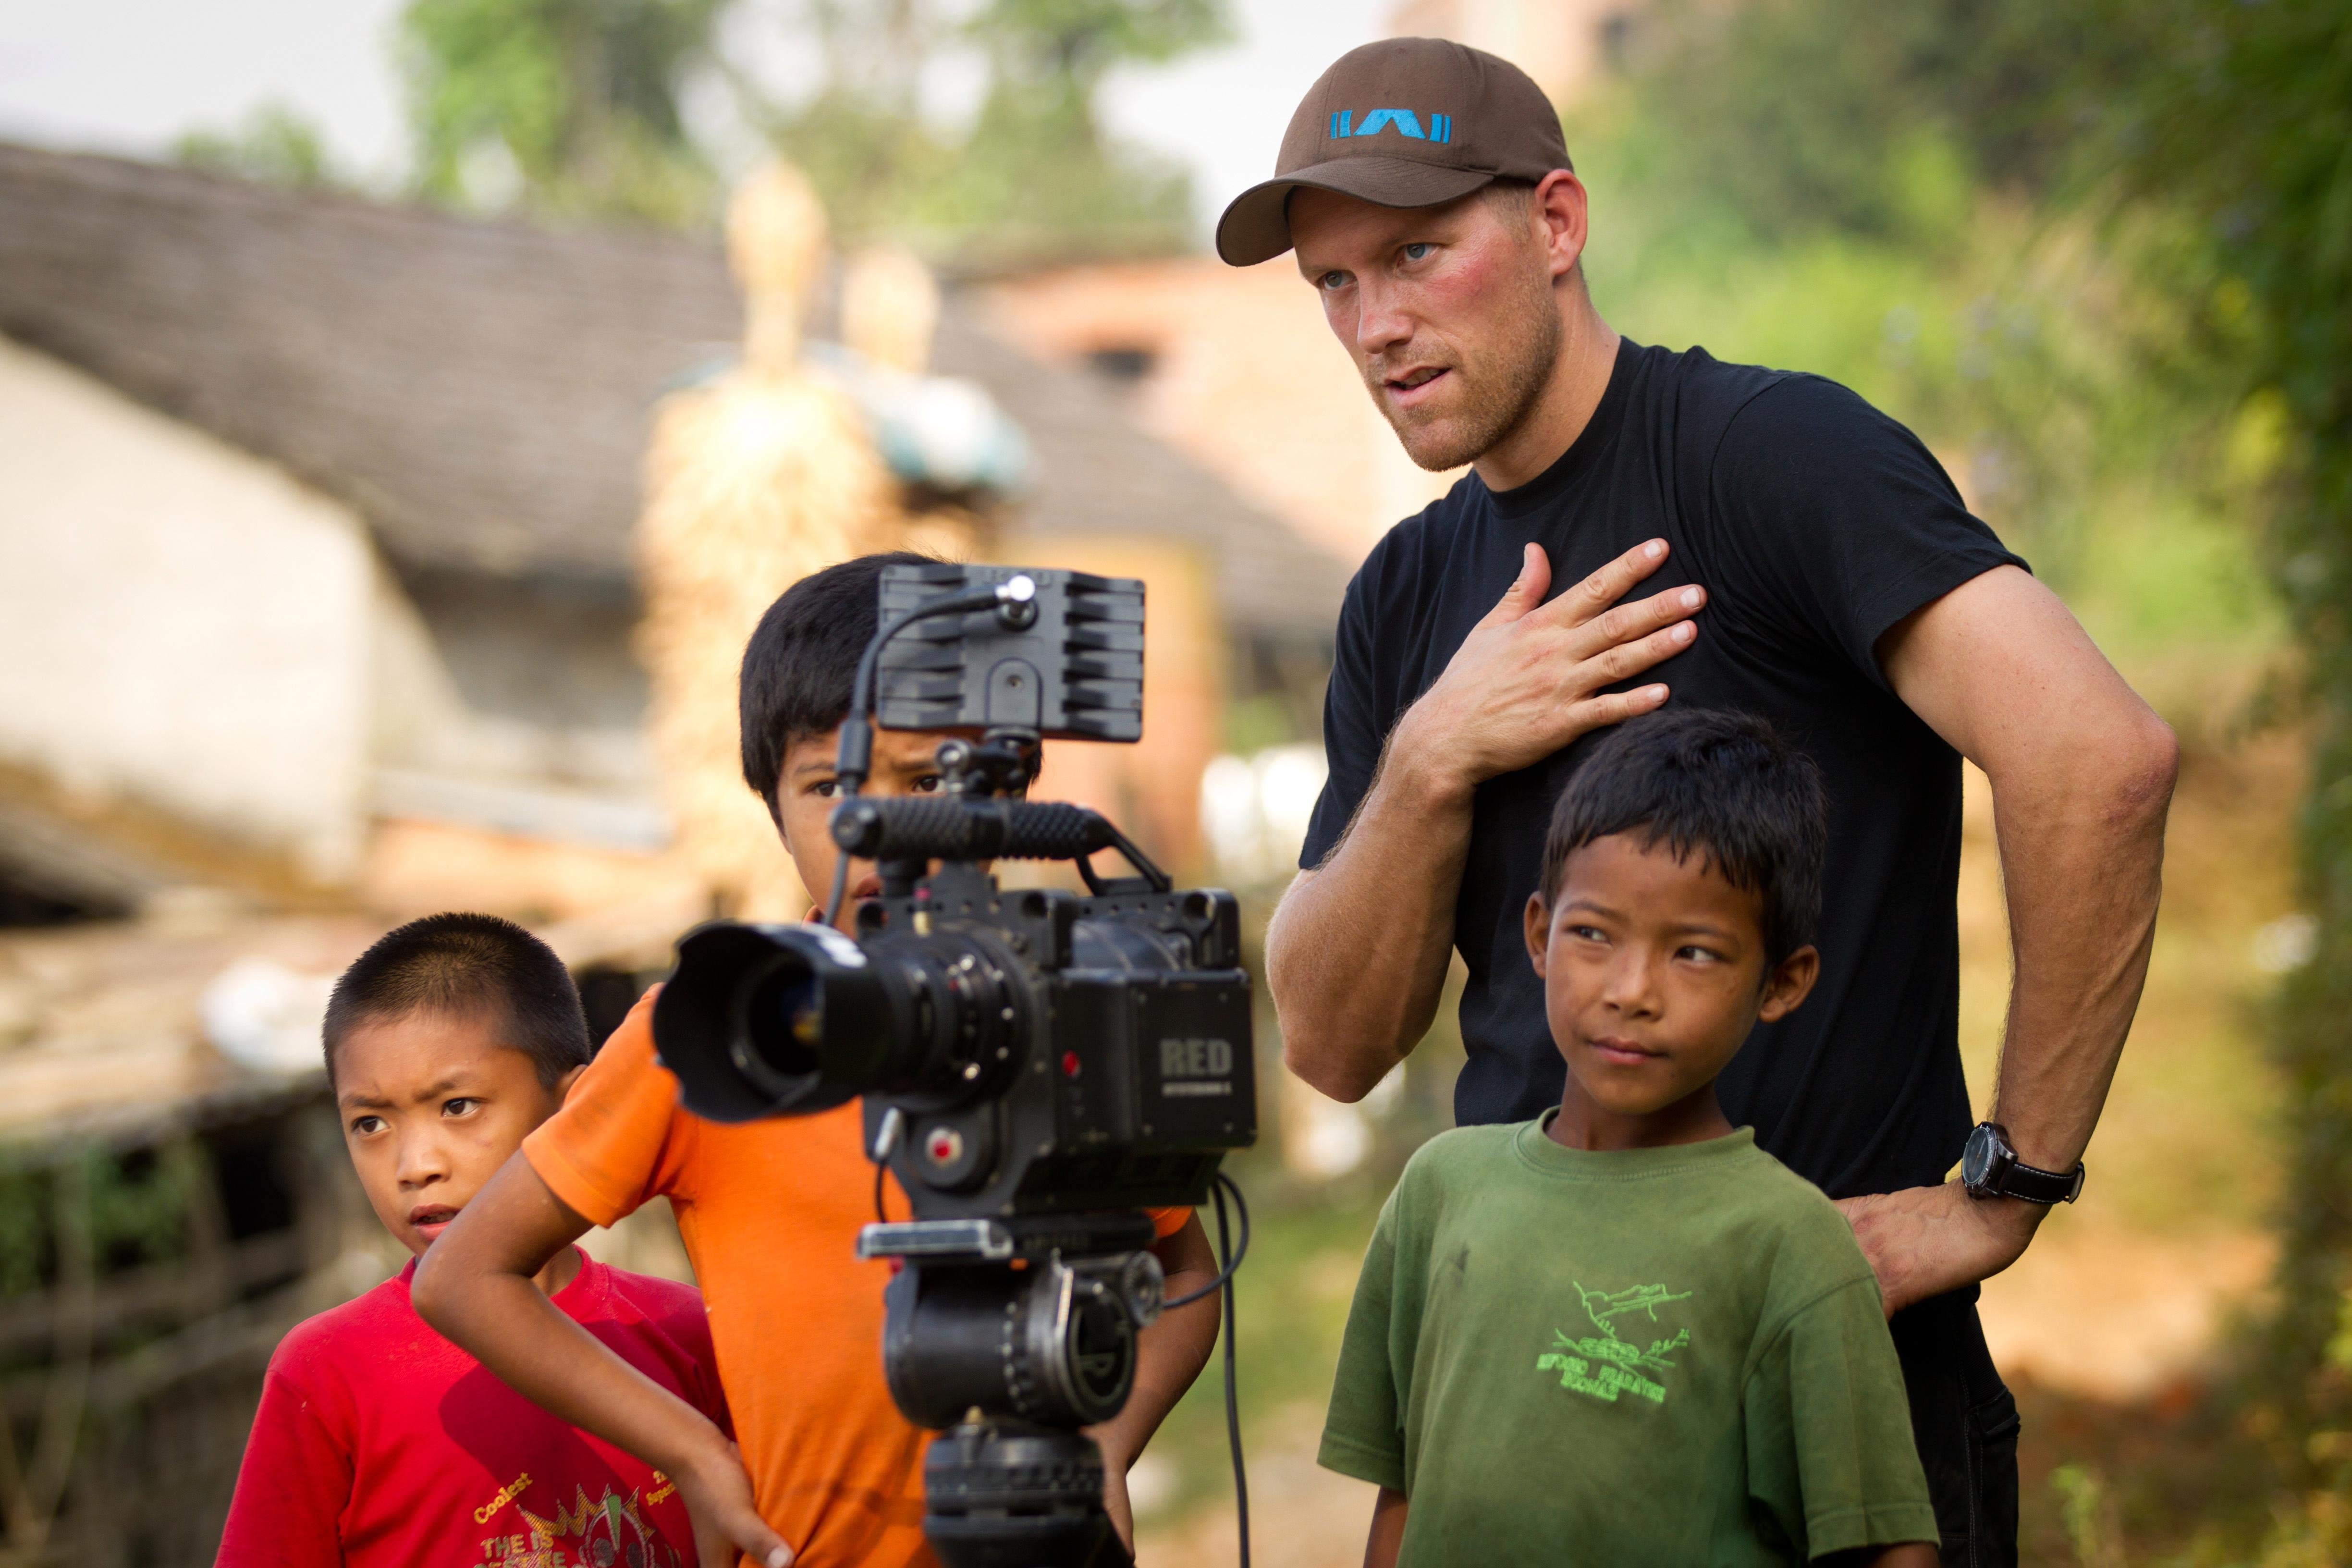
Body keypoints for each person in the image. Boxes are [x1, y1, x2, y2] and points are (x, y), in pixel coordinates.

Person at [1225, 37, 2180, 1563]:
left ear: (1555, 223)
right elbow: (1333, 1045)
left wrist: (2000, 1191)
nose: (1375, 324)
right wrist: (1435, 754)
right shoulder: (1404, 596)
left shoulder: (1772, 459)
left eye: (1416, 254)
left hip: (1813, 1391)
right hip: (1519, 1394)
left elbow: (2098, 759)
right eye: (1333, 283)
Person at [413, 552, 1224, 1568]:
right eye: (832, 786)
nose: (883, 833)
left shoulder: (1068, 1015)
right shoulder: (717, 1029)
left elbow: (1187, 1273)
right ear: (772, 806)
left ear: (1009, 795)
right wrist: (694, 1454)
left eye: (929, 782)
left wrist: (1104, 1449)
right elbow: (465, 1277)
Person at [1323, 710, 1940, 1566]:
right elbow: (1402, 1494)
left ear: (1782, 982)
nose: (1631, 991)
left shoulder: (1788, 1243)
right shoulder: (1440, 1191)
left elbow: (1888, 1546)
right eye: (1593, 934)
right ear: (1539, 935)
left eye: (1694, 953)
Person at [217, 913, 725, 1568]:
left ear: (575, 1110)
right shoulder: (326, 1371)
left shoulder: (682, 1332)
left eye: (457, 1107)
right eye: (370, 1123)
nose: (415, 1165)